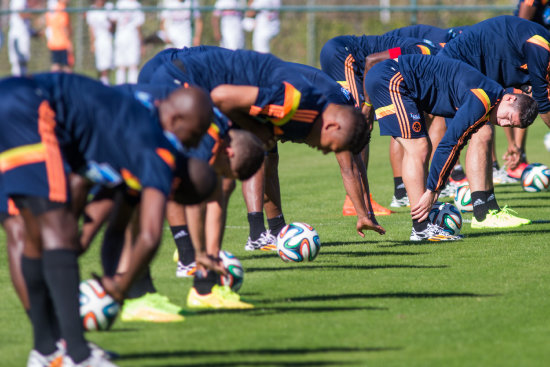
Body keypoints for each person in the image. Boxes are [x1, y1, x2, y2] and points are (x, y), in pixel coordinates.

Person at [0, 73, 214, 365]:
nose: (196, 142)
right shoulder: (159, 150)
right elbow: (149, 237)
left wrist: (77, 253)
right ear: (177, 119)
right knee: (51, 229)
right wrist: (119, 290)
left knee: (27, 232)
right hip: (31, 108)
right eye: (199, 131)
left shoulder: (136, 120)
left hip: (13, 97)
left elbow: (90, 197)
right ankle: (77, 354)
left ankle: (47, 351)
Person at [139, 47, 382, 242]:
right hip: (180, 76)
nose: (326, 151)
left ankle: (205, 258)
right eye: (332, 146)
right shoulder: (293, 103)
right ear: (332, 127)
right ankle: (194, 262)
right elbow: (220, 97)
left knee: (220, 177)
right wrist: (254, 129)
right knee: (200, 172)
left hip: (183, 73)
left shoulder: (305, 108)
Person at [364, 54, 538, 241]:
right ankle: (421, 229)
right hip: (391, 78)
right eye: (508, 118)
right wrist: (432, 191)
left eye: (509, 125)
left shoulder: (492, 98)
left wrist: (434, 189)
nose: (503, 123)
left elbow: (456, 144)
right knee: (418, 148)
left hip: (392, 79)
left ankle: (423, 225)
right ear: (510, 99)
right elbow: (450, 144)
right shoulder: (483, 99)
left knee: (420, 147)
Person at [437, 15, 549, 228]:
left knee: (486, 131)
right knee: (482, 132)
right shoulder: (540, 46)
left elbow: (524, 103)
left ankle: (490, 209)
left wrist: (516, 145)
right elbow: (542, 103)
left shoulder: (541, 51)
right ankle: (482, 214)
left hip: (471, 72)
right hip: (454, 69)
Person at [320, 34, 438, 214]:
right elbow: (371, 60)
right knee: (358, 122)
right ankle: (355, 200)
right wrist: (368, 105)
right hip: (341, 54)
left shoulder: (429, 50)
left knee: (360, 124)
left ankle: (359, 199)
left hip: (340, 53)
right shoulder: (417, 50)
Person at [111, 0, 144, 84]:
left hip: (128, 37)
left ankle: (122, 88)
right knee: (127, 65)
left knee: (130, 65)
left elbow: (114, 20)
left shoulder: (121, 3)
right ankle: (129, 89)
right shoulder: (126, 4)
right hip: (126, 38)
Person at [86, 0, 115, 85]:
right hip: (99, 40)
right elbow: (91, 29)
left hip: (109, 39)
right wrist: (92, 43)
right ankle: (103, 83)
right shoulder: (92, 11)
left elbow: (113, 25)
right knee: (101, 63)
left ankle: (105, 82)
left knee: (109, 63)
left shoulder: (109, 7)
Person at [44, 0, 73, 72]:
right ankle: (69, 83)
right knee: (66, 67)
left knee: (56, 65)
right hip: (62, 43)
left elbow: (48, 26)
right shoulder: (61, 9)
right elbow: (64, 27)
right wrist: (69, 43)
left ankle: (54, 82)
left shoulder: (51, 10)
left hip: (53, 43)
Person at [8, 0, 32, 76]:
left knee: (21, 63)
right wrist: (34, 13)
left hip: (19, 34)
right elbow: (21, 13)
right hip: (19, 35)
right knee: (19, 63)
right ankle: (19, 82)